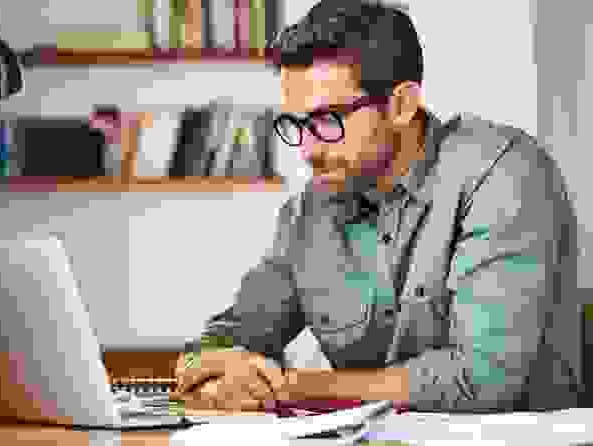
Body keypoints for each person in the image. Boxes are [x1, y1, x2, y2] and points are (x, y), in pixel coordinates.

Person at [173, 0, 582, 413]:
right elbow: (232, 333)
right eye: (296, 125)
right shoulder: (307, 214)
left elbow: (478, 381)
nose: (307, 150)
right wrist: (209, 368)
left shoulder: (504, 175)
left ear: (402, 104)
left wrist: (284, 387)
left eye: (329, 120)